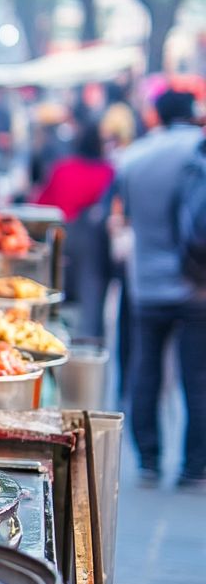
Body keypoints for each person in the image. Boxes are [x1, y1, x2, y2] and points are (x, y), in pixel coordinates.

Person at [114, 89, 206, 489]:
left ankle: (148, 458)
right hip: (197, 284)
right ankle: (194, 465)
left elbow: (126, 217)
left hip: (146, 283)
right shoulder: (198, 151)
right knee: (197, 376)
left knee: (144, 369)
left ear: (156, 116)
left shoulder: (133, 158)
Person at [32, 122, 114, 340]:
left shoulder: (62, 168)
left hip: (61, 242)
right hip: (93, 247)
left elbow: (40, 204)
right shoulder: (108, 172)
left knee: (56, 298)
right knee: (91, 303)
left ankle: (53, 340)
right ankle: (87, 347)